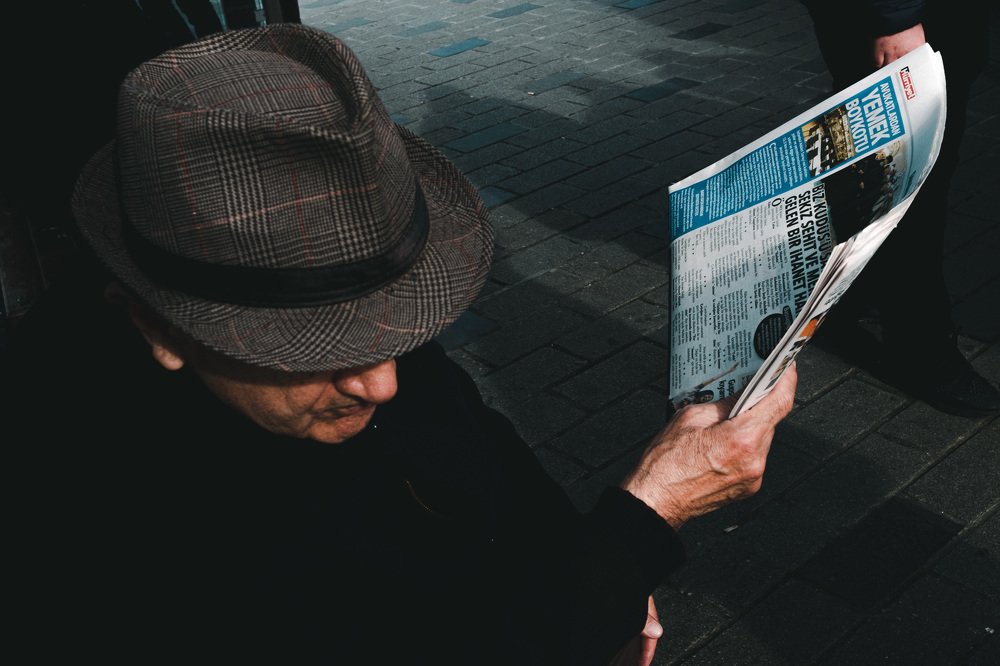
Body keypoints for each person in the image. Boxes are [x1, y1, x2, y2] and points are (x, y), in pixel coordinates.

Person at [4, 24, 796, 665]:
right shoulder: (92, 521)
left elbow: (468, 438)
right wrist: (646, 521)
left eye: (398, 324)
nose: (381, 382)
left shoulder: (302, 312)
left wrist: (598, 571)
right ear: (159, 326)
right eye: (315, 347)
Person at [799, 0, 1000, 417]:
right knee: (914, 177)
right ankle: (919, 348)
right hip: (901, 20)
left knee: (881, 163)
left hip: (917, 18)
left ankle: (850, 294)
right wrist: (896, 16)